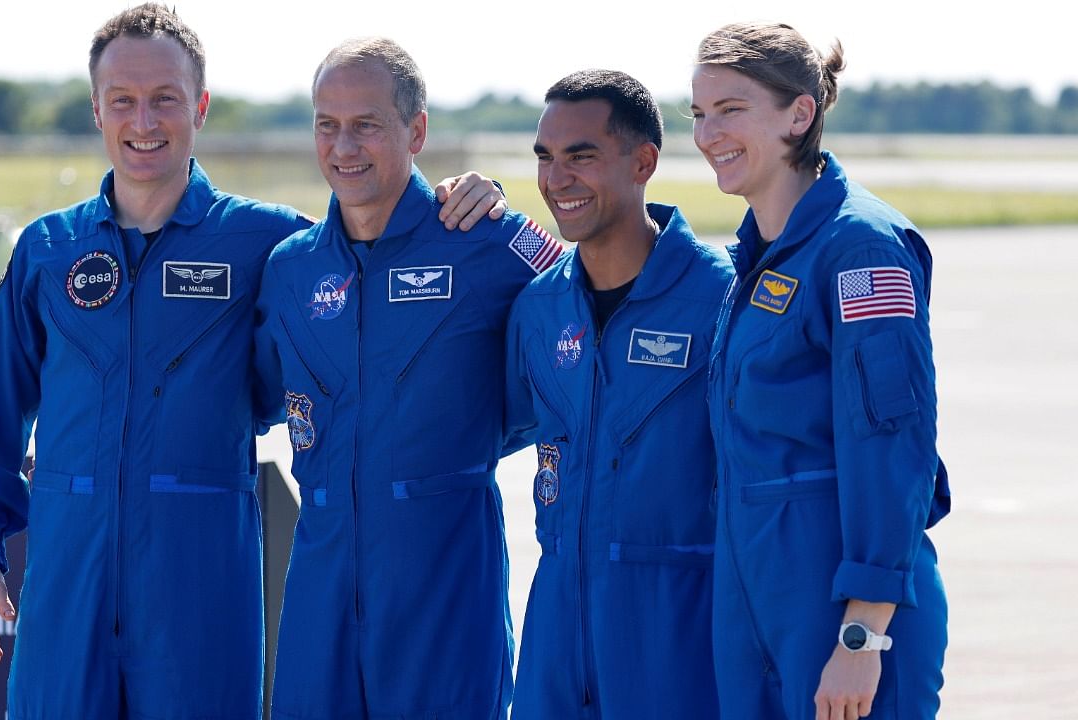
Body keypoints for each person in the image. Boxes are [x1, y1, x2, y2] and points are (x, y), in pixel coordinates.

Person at [0, 6, 505, 718]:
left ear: (200, 107)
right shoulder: (47, 251)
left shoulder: (268, 243)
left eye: (165, 100)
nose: (143, 121)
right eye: (123, 100)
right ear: (96, 109)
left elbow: (377, 259)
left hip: (199, 594)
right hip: (67, 587)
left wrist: (458, 203)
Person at [253, 38, 564, 720]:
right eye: (326, 125)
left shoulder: (484, 241)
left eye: (365, 124)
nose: (344, 146)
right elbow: (235, 395)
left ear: (416, 130)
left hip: (445, 582)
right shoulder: (290, 268)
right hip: (321, 581)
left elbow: (596, 304)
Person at [690, 22, 951, 720]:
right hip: (758, 610)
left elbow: (893, 445)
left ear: (799, 114)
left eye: (731, 109)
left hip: (843, 620)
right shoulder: (754, 261)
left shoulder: (859, 247)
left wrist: (862, 636)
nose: (708, 133)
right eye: (699, 113)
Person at [503, 69, 732, 719]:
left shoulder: (721, 299)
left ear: (643, 161)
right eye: (545, 158)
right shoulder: (539, 307)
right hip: (556, 632)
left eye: (582, 156)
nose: (556, 179)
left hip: (678, 634)